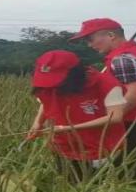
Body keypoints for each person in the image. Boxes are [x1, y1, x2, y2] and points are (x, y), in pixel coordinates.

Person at [69, 18, 136, 178]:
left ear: (111, 35)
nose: (90, 45)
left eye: (91, 39)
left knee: (126, 168)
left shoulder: (122, 59)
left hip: (131, 119)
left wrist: (110, 117)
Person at [25, 50, 128, 181]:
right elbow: (46, 102)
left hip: (100, 147)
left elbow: (115, 117)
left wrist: (70, 128)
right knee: (67, 185)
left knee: (98, 185)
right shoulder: (50, 87)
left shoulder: (107, 84)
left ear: (73, 74)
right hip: (64, 146)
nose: (53, 86)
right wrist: (37, 123)